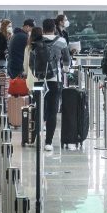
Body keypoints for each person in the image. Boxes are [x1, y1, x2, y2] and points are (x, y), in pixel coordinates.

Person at [34, 17, 70, 152]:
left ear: (43, 28)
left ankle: (37, 137)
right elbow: (66, 59)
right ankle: (48, 142)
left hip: (38, 80)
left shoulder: (36, 41)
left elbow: (32, 61)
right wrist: (65, 69)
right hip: (55, 80)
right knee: (52, 111)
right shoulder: (61, 41)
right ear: (54, 28)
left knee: (39, 108)